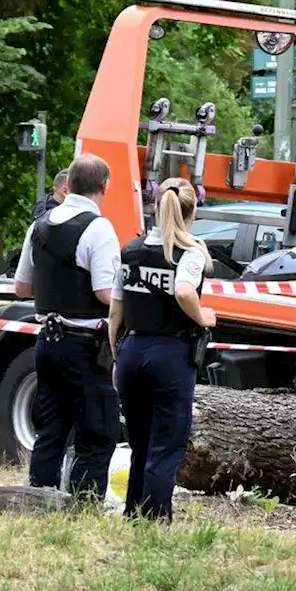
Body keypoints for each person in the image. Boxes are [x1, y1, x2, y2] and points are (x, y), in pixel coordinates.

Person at [13, 153, 121, 500]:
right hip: (85, 343)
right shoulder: (98, 227)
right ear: (104, 187)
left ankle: (39, 500)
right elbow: (105, 293)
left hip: (46, 340)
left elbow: (22, 288)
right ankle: (83, 506)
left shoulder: (39, 225)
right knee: (97, 432)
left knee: (51, 430)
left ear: (68, 184)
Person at [109, 177, 215, 521]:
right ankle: (156, 520)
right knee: (166, 445)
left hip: (132, 351)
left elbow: (115, 311)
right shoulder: (190, 253)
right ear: (192, 211)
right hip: (169, 354)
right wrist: (203, 317)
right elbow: (184, 291)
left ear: (156, 205)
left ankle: (134, 514)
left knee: (139, 444)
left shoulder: (131, 250)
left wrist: (116, 354)